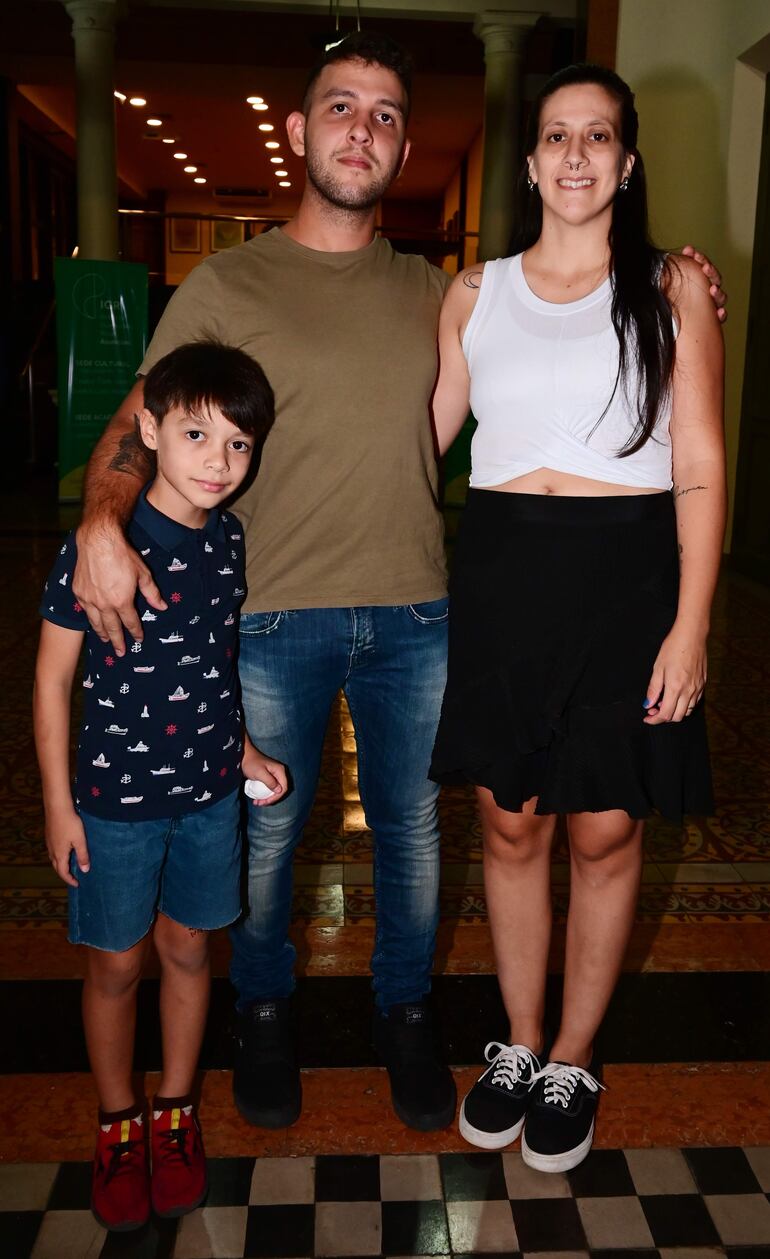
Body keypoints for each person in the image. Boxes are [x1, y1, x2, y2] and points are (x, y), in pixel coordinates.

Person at [69, 34, 727, 1136]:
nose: (361, 130)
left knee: (435, 834)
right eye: (341, 107)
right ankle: (272, 1012)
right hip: (299, 603)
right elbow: (151, 418)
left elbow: (633, 425)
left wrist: (687, 286)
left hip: (434, 606)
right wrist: (101, 517)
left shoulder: (451, 288)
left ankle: (426, 1019)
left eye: (384, 114)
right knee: (292, 833)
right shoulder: (281, 284)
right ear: (299, 130)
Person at [429, 62, 726, 1173]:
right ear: (529, 161)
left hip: (627, 582)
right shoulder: (475, 292)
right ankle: (517, 1040)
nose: (574, 154)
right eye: (556, 134)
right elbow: (415, 445)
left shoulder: (670, 287)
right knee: (510, 821)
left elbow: (699, 461)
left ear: (626, 161)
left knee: (605, 826)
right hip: (504, 579)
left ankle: (572, 1052)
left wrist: (691, 624)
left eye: (596, 135)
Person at [34, 341, 287, 1231]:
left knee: (188, 950)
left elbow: (215, 661)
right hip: (112, 804)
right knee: (115, 963)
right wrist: (59, 805)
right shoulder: (100, 548)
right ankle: (118, 1121)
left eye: (239, 444)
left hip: (209, 796)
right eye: (195, 434)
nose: (219, 462)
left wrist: (243, 749)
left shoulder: (229, 538)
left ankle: (175, 1112)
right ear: (147, 429)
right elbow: (51, 683)